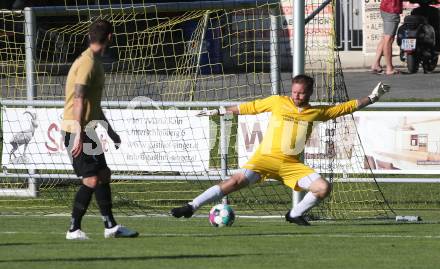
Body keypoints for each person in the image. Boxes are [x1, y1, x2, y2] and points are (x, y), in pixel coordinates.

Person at [171, 74, 390, 225]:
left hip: (290, 166)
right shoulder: (278, 102)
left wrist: (372, 98)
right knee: (233, 182)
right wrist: (220, 111)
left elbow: (344, 108)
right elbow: (249, 107)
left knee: (323, 187)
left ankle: (294, 214)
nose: (296, 96)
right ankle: (191, 206)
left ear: (310, 93)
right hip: (264, 159)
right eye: (294, 92)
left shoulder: (315, 113)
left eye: (302, 93)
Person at [61, 19, 138, 240]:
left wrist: (109, 130)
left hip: (88, 130)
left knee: (103, 175)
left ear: (89, 36)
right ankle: (73, 229)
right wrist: (78, 134)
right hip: (77, 130)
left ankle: (111, 226)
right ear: (110, 38)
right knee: (91, 179)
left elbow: (93, 104)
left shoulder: (95, 62)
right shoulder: (86, 63)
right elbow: (78, 99)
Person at [371, 0, 404, 75]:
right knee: (389, 40)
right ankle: (389, 68)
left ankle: (375, 64)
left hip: (386, 7)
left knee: (385, 38)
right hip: (392, 8)